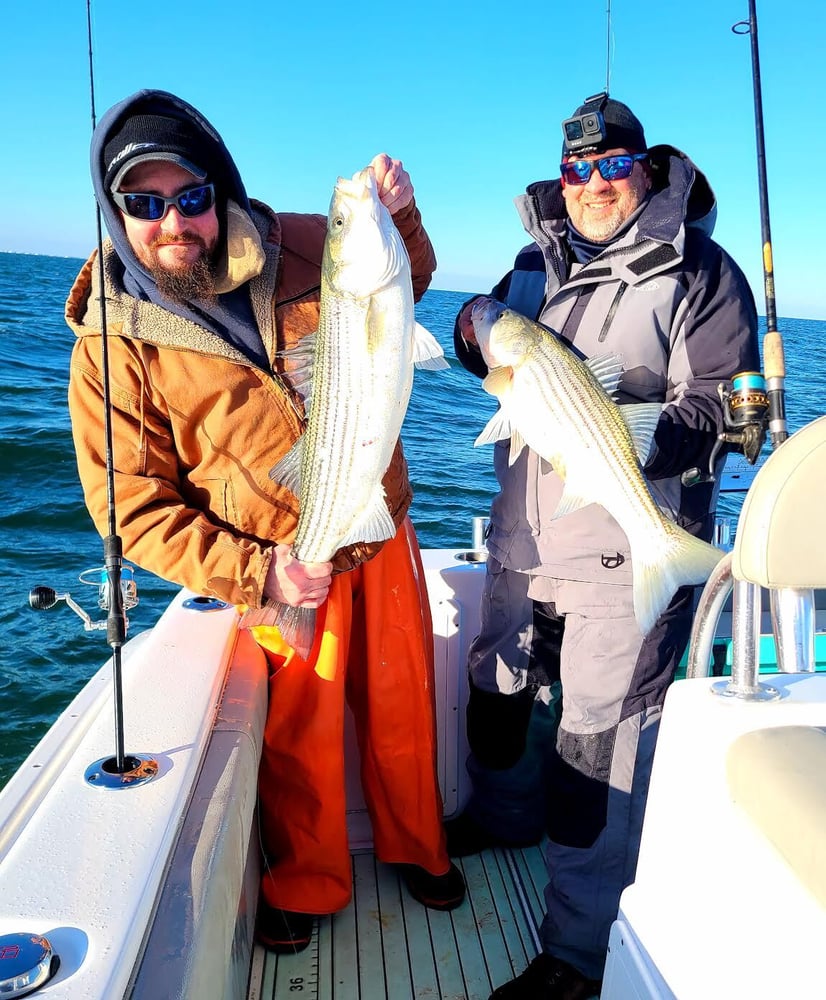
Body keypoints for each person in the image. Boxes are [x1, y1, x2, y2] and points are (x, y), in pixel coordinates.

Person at [65, 88, 464, 956]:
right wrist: (262, 573)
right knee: (299, 731)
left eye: (191, 197)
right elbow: (131, 508)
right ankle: (311, 880)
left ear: (222, 192)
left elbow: (407, 287)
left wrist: (401, 218)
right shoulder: (110, 343)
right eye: (144, 204)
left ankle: (417, 846)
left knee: (404, 703)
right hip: (273, 556)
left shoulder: (307, 243)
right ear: (116, 212)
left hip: (380, 527)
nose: (173, 222)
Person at [450, 94, 761, 998]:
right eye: (576, 168)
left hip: (623, 551)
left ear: (646, 167)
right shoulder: (530, 261)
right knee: (495, 694)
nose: (592, 184)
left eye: (612, 164)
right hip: (521, 544)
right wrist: (474, 324)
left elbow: (714, 408)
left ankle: (579, 956)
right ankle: (506, 820)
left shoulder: (701, 272)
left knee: (596, 751)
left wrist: (618, 439)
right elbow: (499, 358)